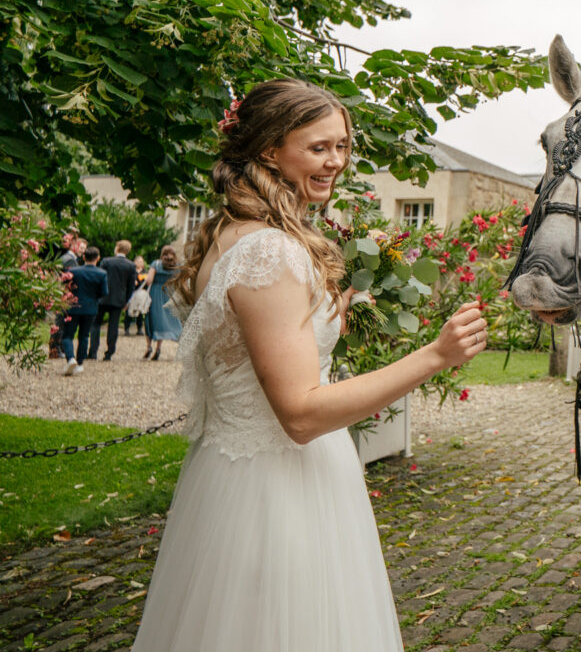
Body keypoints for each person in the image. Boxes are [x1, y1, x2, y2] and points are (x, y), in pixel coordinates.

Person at [130, 78, 487, 651]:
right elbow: (298, 413)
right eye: (318, 147)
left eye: (342, 146)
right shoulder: (271, 250)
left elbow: (247, 350)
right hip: (278, 490)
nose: (336, 161)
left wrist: (324, 320)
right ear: (270, 149)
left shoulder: (227, 230)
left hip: (230, 471)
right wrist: (435, 356)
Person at [60, 246, 107, 376]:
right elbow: (104, 292)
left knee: (68, 335)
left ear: (84, 257)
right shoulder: (102, 273)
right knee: (84, 336)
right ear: (98, 258)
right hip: (90, 308)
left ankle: (70, 358)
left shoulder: (74, 271)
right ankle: (80, 363)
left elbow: (65, 286)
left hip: (73, 306)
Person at [90, 240, 139, 361]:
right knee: (113, 326)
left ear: (117, 248)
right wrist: (126, 301)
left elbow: (99, 278)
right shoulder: (131, 265)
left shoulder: (106, 261)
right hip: (119, 299)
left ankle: (93, 352)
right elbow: (131, 286)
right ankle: (109, 353)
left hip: (103, 297)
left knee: (96, 324)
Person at [142, 245, 182, 360]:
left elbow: (149, 280)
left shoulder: (156, 264)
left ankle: (149, 346)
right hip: (169, 293)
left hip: (155, 293)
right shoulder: (177, 265)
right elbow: (179, 281)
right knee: (162, 320)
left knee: (150, 319)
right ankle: (158, 348)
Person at [123, 255, 148, 335]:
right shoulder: (131, 271)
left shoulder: (145, 272)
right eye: (139, 261)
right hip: (131, 294)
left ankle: (139, 329)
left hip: (141, 294)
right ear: (135, 262)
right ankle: (126, 329)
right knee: (129, 312)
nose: (141, 263)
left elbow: (147, 284)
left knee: (140, 312)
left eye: (142, 261)